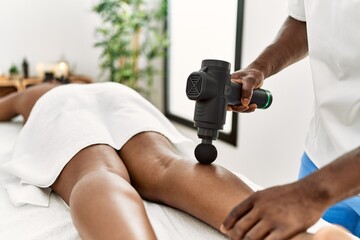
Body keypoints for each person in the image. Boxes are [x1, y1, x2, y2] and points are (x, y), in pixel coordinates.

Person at [0, 82, 355, 240]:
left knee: (97, 171)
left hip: (60, 110)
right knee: (166, 166)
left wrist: (20, 99)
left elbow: (7, 107)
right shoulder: (100, 85)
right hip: (123, 98)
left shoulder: (42, 93)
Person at [222, 0, 360, 239]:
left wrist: (311, 193)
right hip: (322, 159)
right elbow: (304, 21)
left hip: (324, 183)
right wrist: (259, 68)